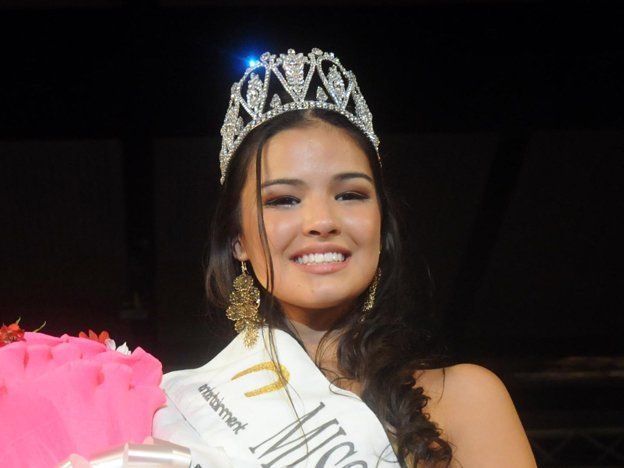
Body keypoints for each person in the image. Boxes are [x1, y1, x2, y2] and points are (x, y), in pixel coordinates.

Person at [153, 47, 537, 467]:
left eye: (350, 194)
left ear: (381, 227)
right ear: (237, 240)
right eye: (283, 200)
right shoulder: (183, 418)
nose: (321, 221)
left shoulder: (464, 400)